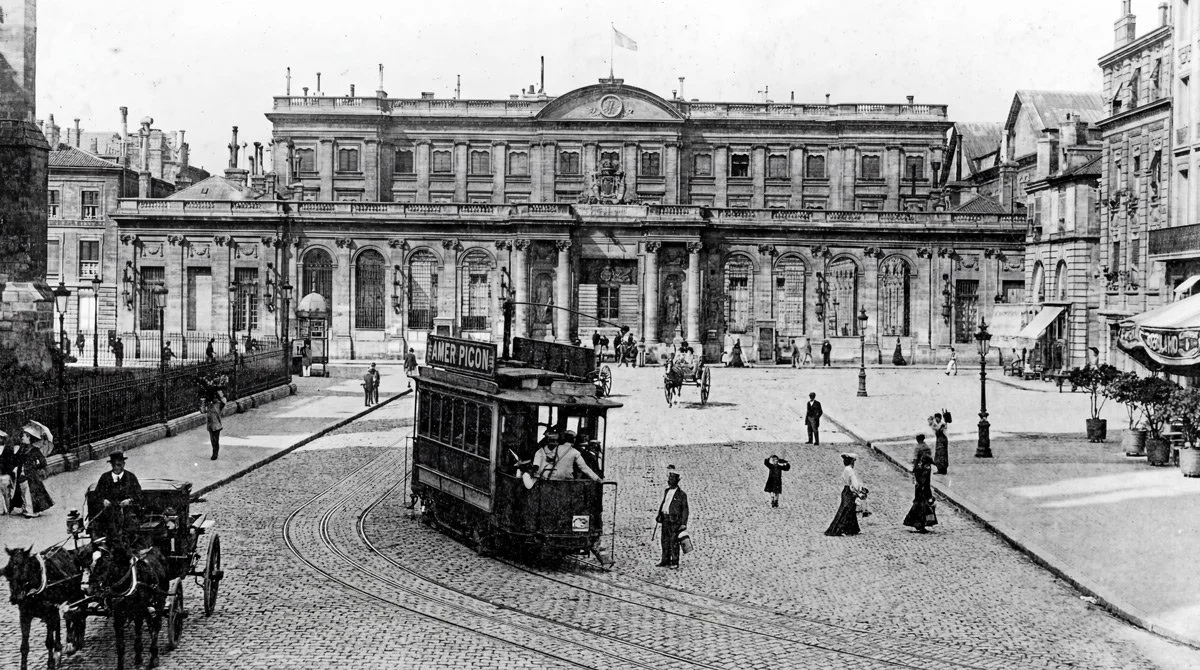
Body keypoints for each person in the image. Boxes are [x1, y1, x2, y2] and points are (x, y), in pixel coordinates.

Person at [90, 452, 142, 542]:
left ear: (124, 464)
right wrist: (103, 500)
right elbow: (97, 495)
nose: (116, 467)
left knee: (131, 528)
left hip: (127, 512)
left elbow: (139, 494)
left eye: (119, 465)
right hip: (109, 513)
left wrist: (129, 500)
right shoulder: (104, 478)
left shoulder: (131, 477)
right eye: (114, 465)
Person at [516, 432, 602, 487]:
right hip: (567, 482)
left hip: (552, 480)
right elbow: (584, 468)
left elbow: (545, 458)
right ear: (574, 441)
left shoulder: (556, 449)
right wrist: (597, 479)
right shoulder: (575, 452)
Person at [11, 425, 52, 519]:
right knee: (23, 491)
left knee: (30, 492)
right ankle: (26, 508)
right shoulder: (22, 448)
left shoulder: (35, 450)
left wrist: (34, 466)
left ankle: (32, 511)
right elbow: (16, 459)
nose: (22, 437)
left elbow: (43, 462)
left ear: (29, 437)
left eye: (24, 436)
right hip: (21, 473)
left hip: (31, 475)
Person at [655, 465, 689, 568]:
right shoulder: (667, 491)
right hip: (665, 519)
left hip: (675, 521)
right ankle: (665, 560)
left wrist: (683, 523)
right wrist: (659, 514)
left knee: (674, 542)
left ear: (677, 480)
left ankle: (674, 562)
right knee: (664, 541)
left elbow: (685, 510)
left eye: (672, 478)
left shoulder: (682, 494)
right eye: (669, 478)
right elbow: (664, 503)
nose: (670, 480)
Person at [902, 437, 938, 533]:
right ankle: (927, 523)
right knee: (927, 508)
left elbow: (920, 479)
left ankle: (919, 524)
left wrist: (919, 485)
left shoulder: (920, 464)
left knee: (921, 508)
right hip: (925, 491)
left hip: (921, 491)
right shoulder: (927, 464)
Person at [824, 453, 865, 536]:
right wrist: (860, 490)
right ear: (852, 462)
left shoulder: (846, 469)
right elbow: (854, 483)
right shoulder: (850, 470)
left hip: (845, 490)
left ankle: (854, 529)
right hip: (850, 492)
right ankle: (839, 529)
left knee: (849, 510)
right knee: (846, 511)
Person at [202, 391, 226, 460]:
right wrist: (203, 403)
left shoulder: (219, 404)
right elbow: (203, 411)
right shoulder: (209, 405)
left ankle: (215, 453)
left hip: (217, 425)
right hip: (210, 425)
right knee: (212, 440)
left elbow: (224, 400)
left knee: (216, 440)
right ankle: (214, 452)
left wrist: (220, 393)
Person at [0, 430, 15, 514]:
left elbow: (11, 461)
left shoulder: (8, 449)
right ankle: (1, 510)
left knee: (7, 493)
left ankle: (9, 508)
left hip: (5, 474)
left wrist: (10, 473)